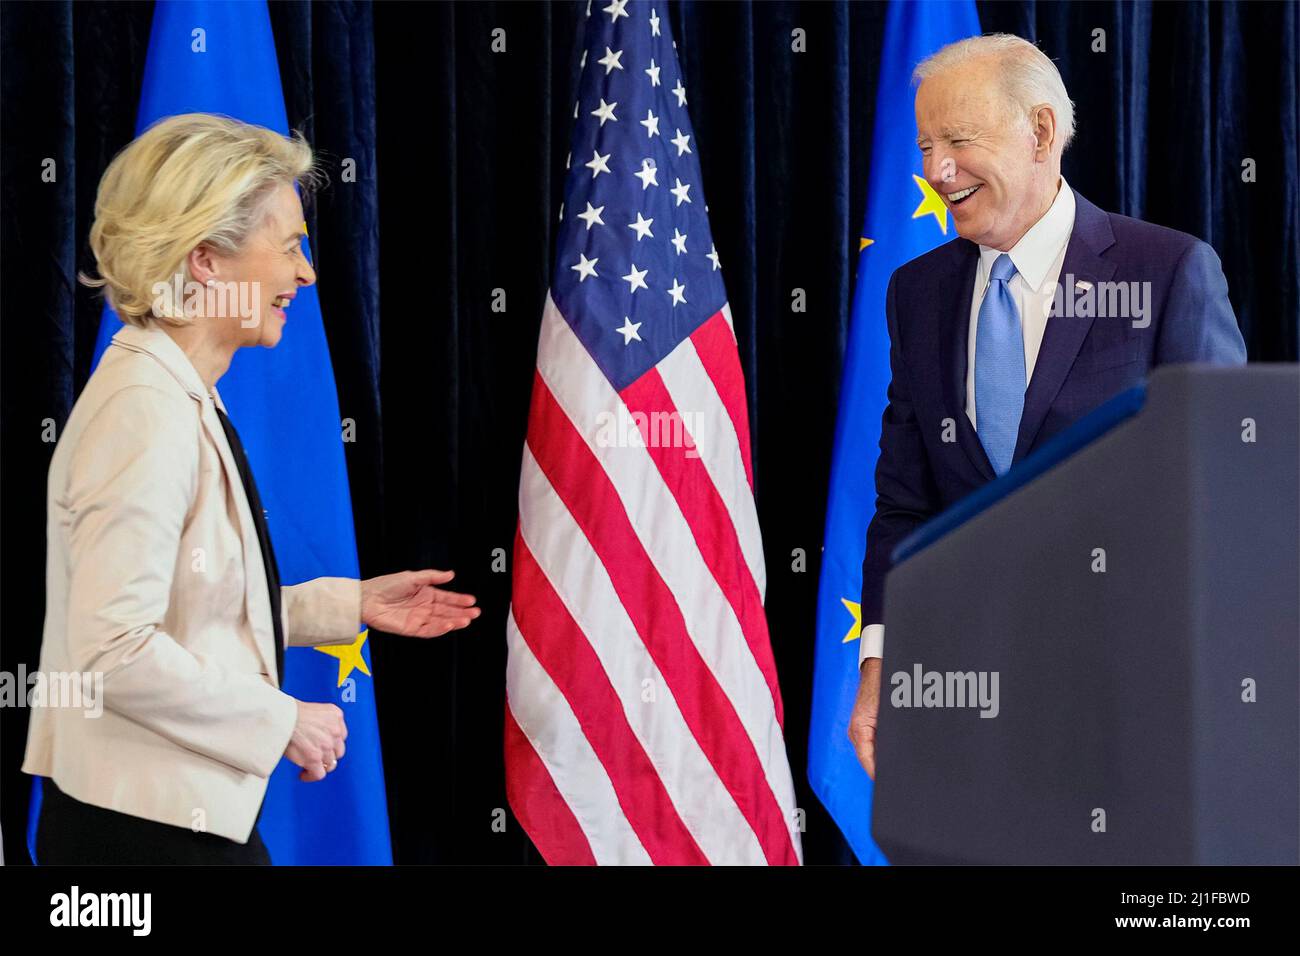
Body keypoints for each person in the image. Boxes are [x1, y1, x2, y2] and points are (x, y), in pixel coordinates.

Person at [23, 113, 481, 864]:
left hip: (169, 820)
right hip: (142, 839)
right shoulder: (146, 409)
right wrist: (280, 720)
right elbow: (113, 651)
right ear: (206, 258)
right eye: (291, 244)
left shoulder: (177, 391)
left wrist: (347, 605)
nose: (305, 273)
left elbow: (182, 610)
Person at [848, 35, 1246, 779]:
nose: (937, 171)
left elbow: (1226, 503)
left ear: (1039, 131)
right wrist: (882, 662)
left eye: (959, 140)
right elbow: (905, 503)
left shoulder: (1168, 273)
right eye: (928, 143)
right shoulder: (917, 292)